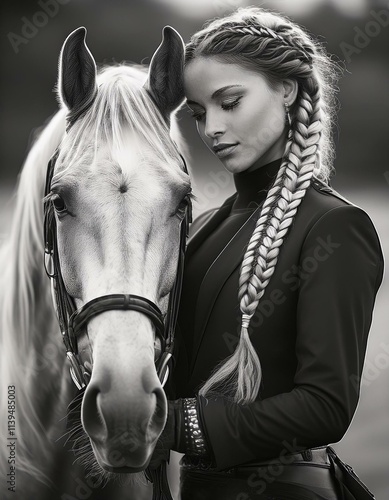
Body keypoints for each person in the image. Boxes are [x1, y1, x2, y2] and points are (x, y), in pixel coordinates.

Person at [150, 7, 384, 500]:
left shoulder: (334, 227)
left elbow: (325, 407)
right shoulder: (205, 228)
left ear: (288, 89)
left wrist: (179, 425)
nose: (211, 127)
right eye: (197, 112)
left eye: (229, 102)